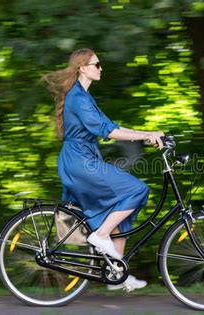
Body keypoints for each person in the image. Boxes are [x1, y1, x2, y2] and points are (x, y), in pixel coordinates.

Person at [43, 48, 164, 291]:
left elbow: (111, 126)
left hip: (85, 160)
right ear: (83, 67)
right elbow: (108, 131)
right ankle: (99, 236)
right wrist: (146, 135)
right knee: (137, 189)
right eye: (97, 65)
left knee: (120, 211)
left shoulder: (84, 97)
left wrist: (145, 136)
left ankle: (116, 273)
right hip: (79, 163)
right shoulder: (78, 98)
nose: (101, 68)